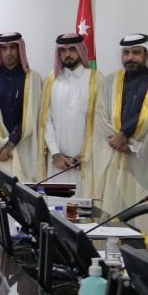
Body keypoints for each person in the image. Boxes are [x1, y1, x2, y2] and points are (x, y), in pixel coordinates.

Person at [92, 34, 148, 249]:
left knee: (144, 218)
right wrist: (116, 140)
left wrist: (126, 137)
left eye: (136, 52)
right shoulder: (110, 81)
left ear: (146, 55)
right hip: (117, 160)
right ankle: (113, 260)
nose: (130, 57)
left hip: (145, 164)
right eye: (126, 53)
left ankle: (145, 262)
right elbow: (101, 113)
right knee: (116, 214)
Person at [39, 34, 101, 196]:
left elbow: (101, 122)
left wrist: (86, 153)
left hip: (87, 162)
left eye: (72, 49)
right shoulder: (51, 80)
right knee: (57, 206)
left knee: (86, 206)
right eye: (63, 50)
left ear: (81, 50)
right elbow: (46, 120)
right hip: (57, 163)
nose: (67, 54)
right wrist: (55, 153)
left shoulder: (97, 79)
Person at [0, 32, 43, 181]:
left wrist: (11, 143)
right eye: (4, 48)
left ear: (20, 49)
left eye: (13, 47)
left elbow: (33, 115)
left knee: (25, 191)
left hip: (25, 147)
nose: (8, 53)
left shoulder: (33, 78)